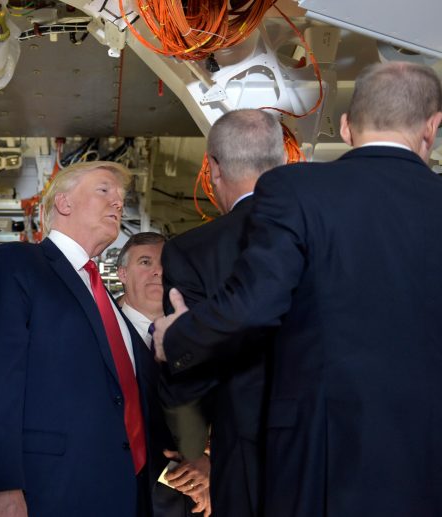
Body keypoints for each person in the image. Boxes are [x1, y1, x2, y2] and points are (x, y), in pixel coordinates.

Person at [153, 62, 442, 516]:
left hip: (322, 454)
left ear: (347, 127)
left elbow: (254, 306)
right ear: (433, 127)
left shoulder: (298, 192)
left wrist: (176, 338)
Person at [0, 161, 172, 517]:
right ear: (64, 203)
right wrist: (1, 485)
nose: (118, 203)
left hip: (123, 490)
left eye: (122, 197)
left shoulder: (104, 298)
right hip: (48, 490)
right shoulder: (18, 264)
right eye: (104, 190)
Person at [160, 109, 285, 517]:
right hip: (331, 440)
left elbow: (193, 371)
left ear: (212, 168)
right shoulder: (327, 230)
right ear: (282, 158)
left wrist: (194, 449)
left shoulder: (192, 251)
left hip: (243, 448)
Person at [116, 232, 210, 517]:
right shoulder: (98, 334)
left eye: (164, 263)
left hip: (197, 499)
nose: (157, 270)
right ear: (122, 273)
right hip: (123, 493)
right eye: (145, 262)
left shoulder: (207, 333)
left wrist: (208, 460)